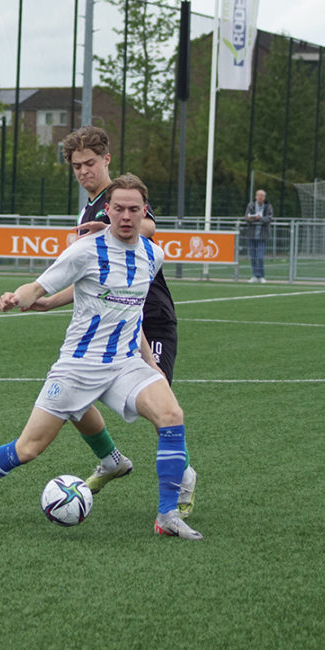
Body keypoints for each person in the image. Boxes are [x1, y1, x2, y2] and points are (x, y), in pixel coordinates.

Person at [0, 174, 203, 540]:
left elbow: (133, 315)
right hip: (77, 366)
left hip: (124, 364)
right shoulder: (85, 250)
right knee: (27, 449)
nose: (125, 215)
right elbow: (38, 286)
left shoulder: (153, 256)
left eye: (133, 209)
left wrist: (151, 365)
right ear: (108, 210)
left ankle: (167, 515)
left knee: (172, 413)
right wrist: (17, 297)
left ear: (143, 213)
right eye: (118, 208)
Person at [38, 125, 195, 516]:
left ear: (107, 160)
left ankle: (184, 478)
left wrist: (111, 225)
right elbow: (90, 282)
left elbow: (150, 228)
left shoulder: (120, 201)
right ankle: (111, 460)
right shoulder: (88, 208)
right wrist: (47, 301)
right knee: (70, 396)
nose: (83, 171)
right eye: (76, 166)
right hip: (110, 321)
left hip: (149, 319)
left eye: (90, 163)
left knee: (163, 409)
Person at [244, 189, 273, 283]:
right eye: (258, 195)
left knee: (260, 256)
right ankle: (255, 275)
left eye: (262, 196)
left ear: (264, 198)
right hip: (252, 234)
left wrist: (260, 218)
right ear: (256, 197)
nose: (260, 197)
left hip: (262, 235)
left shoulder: (268, 206)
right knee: (252, 256)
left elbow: (269, 218)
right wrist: (252, 219)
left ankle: (261, 276)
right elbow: (246, 218)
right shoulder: (251, 205)